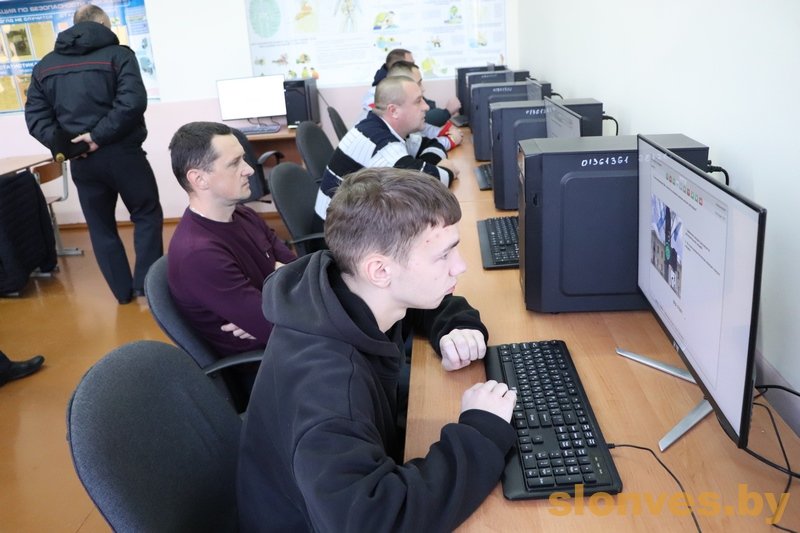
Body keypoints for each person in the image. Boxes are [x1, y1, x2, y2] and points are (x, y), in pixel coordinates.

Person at [238, 167, 517, 532]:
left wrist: (456, 327)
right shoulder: (329, 393)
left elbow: (419, 303)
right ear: (380, 271)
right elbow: (378, 520)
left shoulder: (346, 290)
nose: (460, 266)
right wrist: (481, 432)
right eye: (443, 256)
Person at [24, 4, 163, 305]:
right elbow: (132, 102)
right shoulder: (120, 55)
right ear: (103, 24)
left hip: (82, 162)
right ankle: (149, 288)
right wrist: (97, 137)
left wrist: (69, 145)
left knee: (100, 227)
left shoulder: (45, 66)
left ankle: (122, 294)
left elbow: (36, 117)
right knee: (146, 214)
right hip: (124, 154)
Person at [167, 121, 296, 357]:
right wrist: (276, 291)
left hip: (288, 339)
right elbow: (276, 326)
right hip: (271, 361)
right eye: (234, 163)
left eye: (243, 159)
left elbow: (298, 271)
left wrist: (269, 308)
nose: (249, 170)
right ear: (199, 179)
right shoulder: (199, 254)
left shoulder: (243, 214)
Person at [314, 75, 459, 222]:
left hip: (350, 220)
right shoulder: (383, 147)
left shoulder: (380, 127)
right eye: (418, 101)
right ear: (394, 110)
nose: (426, 107)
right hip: (337, 229)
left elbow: (433, 144)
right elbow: (433, 185)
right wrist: (446, 170)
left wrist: (424, 167)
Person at [359, 60, 464, 151]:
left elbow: (423, 131)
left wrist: (445, 132)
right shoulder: (380, 122)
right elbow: (417, 147)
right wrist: (450, 140)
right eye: (418, 83)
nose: (422, 89)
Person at [370, 48, 460, 126]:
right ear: (399, 66)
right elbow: (417, 120)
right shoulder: (382, 92)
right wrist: (446, 112)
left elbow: (428, 107)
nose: (413, 66)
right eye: (411, 63)